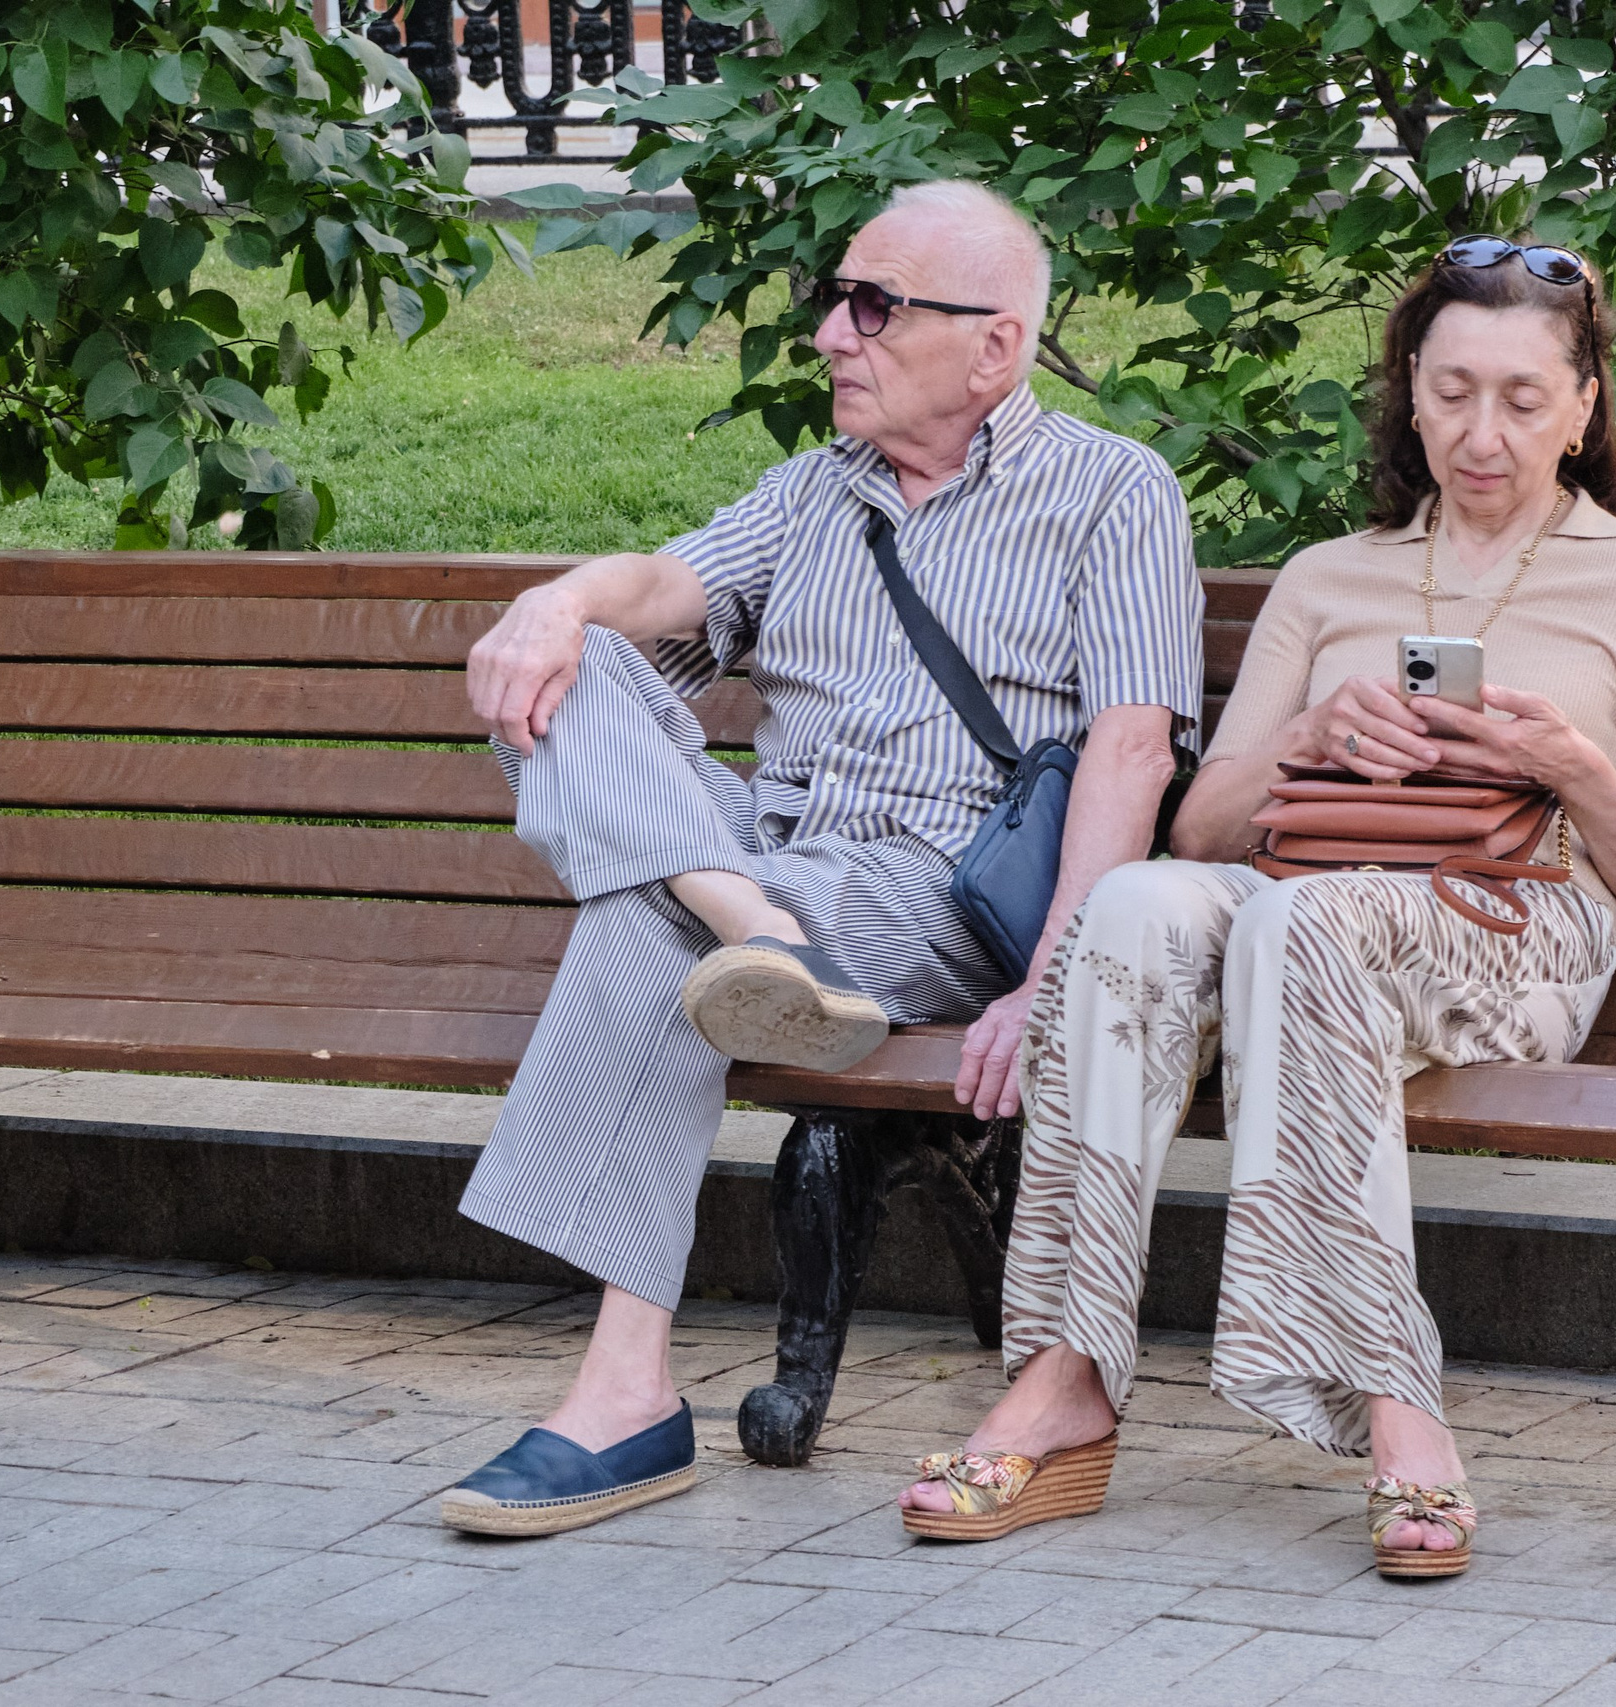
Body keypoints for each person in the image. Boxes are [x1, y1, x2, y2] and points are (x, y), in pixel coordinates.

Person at [898, 237, 1616, 1578]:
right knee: (1136, 909)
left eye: (1523, 399)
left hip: (1515, 937)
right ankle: (1062, 1375)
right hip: (1308, 926)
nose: (1482, 432)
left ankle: (1401, 1411)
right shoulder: (1331, 576)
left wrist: (1571, 765)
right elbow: (1205, 828)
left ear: (1584, 409)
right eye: (1450, 392)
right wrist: (1310, 741)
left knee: (1306, 924)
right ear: (1409, 393)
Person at [438, 180, 1206, 1537]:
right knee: (572, 674)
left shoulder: (1111, 493)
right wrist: (553, 606)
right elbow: (663, 593)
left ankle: (624, 1394)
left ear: (995, 345)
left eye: (873, 307)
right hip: (773, 856)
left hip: (934, 890)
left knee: (637, 919)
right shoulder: (812, 493)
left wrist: (1054, 979)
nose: (830, 338)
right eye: (833, 304)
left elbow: (1131, 756)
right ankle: (749, 927)